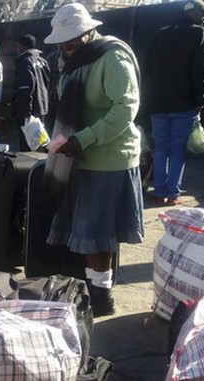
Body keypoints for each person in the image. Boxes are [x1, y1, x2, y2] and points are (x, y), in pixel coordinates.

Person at [42, 3, 144, 317]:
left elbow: (125, 109)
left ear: (89, 32)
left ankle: (102, 299)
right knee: (88, 233)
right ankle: (95, 290)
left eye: (70, 40)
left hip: (109, 158)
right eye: (60, 41)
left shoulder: (112, 57)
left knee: (97, 234)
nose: (63, 46)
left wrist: (82, 139)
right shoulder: (70, 60)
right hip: (79, 155)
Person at [145, 0, 204, 206]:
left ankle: (159, 191)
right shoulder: (198, 32)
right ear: (191, 12)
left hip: (158, 103)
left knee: (161, 148)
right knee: (177, 149)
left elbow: (148, 69)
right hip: (184, 103)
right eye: (202, 12)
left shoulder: (160, 34)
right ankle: (173, 194)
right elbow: (201, 69)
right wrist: (200, 99)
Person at [13, 34, 50, 152]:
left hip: (28, 110)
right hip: (42, 107)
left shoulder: (24, 61)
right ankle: (41, 167)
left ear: (24, 47)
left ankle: (29, 169)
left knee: (27, 145)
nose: (16, 50)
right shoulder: (43, 60)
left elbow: (25, 87)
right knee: (40, 141)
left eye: (18, 46)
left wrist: (25, 113)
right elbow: (48, 81)